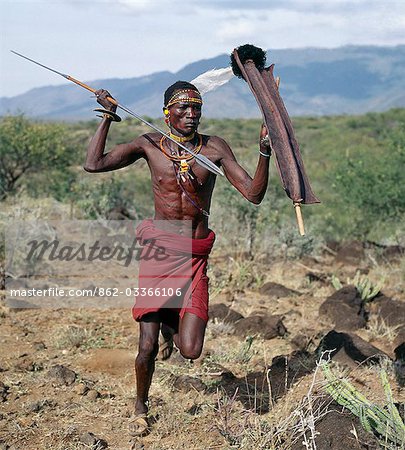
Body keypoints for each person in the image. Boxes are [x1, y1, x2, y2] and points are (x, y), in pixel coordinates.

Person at [84, 81, 272, 436]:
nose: (191, 115)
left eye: (196, 109)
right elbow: (93, 164)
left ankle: (174, 325)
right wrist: (109, 116)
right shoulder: (149, 144)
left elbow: (253, 194)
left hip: (194, 257)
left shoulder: (214, 148)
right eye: (183, 109)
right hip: (160, 254)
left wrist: (265, 151)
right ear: (166, 113)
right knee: (147, 347)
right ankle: (141, 405)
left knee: (191, 350)